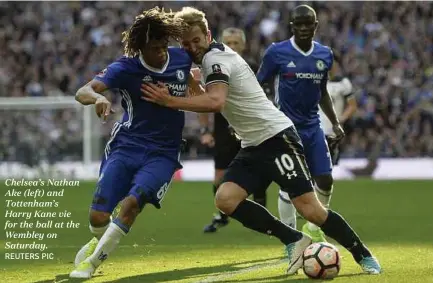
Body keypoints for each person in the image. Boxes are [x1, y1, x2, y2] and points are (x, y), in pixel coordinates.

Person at [141, 6, 381, 275]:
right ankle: (294, 239)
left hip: (277, 138)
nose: (191, 48)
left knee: (311, 210)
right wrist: (188, 81)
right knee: (225, 198)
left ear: (207, 34)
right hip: (253, 144)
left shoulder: (214, 60)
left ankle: (363, 254)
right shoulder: (212, 59)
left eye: (196, 41)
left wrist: (169, 101)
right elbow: (206, 88)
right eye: (185, 44)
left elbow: (216, 101)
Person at [69, 7, 197, 279]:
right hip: (127, 146)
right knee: (97, 218)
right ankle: (97, 242)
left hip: (163, 153)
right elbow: (83, 91)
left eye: (164, 46)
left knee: (131, 205)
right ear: (140, 47)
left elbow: (200, 80)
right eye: (155, 47)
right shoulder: (126, 68)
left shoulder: (181, 59)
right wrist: (99, 98)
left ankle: (91, 265)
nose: (162, 52)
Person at [256, 4, 343, 242]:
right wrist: (266, 112)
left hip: (313, 126)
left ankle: (314, 229)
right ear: (292, 26)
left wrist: (335, 123)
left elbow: (322, 90)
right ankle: (291, 238)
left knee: (325, 179)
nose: (304, 28)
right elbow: (258, 84)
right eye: (299, 24)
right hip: (285, 128)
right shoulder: (276, 52)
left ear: (316, 26)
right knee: (289, 185)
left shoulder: (325, 54)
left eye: (308, 24)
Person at [197, 27, 268, 233]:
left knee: (259, 174)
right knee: (219, 177)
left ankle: (262, 218)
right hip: (223, 131)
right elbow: (203, 99)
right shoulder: (214, 68)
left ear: (244, 46)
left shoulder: (254, 68)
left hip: (250, 129)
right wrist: (204, 129)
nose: (233, 46)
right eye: (229, 42)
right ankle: (222, 214)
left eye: (236, 43)